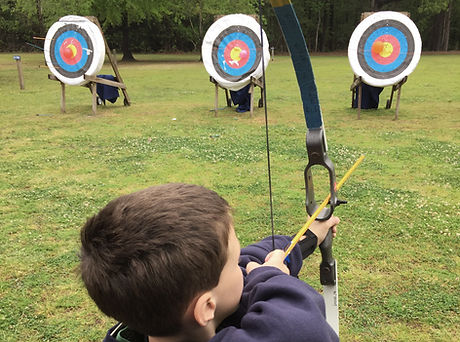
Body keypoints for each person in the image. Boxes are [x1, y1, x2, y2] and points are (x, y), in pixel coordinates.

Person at [80, 183, 340, 342]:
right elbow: (303, 328)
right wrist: (271, 277)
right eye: (233, 263)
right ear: (206, 307)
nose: (242, 266)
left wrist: (307, 237)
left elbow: (251, 258)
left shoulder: (143, 321)